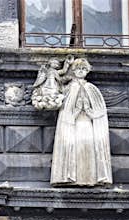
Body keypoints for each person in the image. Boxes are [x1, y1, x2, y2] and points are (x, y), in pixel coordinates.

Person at [50, 58, 112, 186]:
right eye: (78, 69)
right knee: (73, 148)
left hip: (88, 124)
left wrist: (89, 111)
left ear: (87, 71)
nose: (81, 71)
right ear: (74, 70)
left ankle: (89, 178)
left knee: (88, 148)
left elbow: (99, 111)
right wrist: (76, 111)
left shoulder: (91, 88)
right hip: (73, 125)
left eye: (84, 69)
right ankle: (70, 176)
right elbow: (65, 111)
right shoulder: (69, 88)